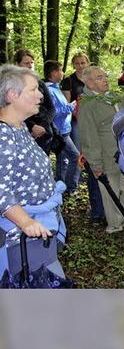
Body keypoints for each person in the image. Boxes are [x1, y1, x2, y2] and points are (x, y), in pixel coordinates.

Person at [0, 65, 67, 280]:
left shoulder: (19, 128)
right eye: (33, 90)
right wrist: (26, 222)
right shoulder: (3, 135)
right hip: (17, 241)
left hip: (34, 236)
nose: (41, 95)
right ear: (12, 95)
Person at [78, 66, 124, 234]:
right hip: (106, 158)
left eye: (105, 76)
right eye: (99, 77)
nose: (105, 79)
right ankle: (115, 225)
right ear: (89, 83)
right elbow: (89, 137)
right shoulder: (87, 105)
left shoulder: (112, 97)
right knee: (110, 192)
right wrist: (96, 164)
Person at [61, 52, 105, 224]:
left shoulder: (94, 79)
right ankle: (75, 184)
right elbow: (68, 103)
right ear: (73, 65)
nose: (80, 65)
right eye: (77, 63)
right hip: (77, 120)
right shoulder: (69, 81)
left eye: (83, 62)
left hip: (96, 123)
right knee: (81, 152)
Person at [44, 60, 79, 195]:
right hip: (59, 132)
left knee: (63, 160)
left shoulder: (56, 87)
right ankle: (69, 188)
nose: (62, 73)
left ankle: (62, 187)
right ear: (53, 73)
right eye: (60, 70)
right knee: (74, 157)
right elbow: (54, 112)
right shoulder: (49, 90)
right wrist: (71, 106)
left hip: (65, 129)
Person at [13, 49, 57, 154]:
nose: (30, 65)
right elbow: (11, 110)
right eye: (26, 63)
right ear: (17, 65)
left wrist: (43, 125)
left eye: (32, 63)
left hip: (44, 133)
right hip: (22, 133)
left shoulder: (40, 83)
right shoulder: (11, 84)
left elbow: (51, 108)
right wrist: (32, 126)